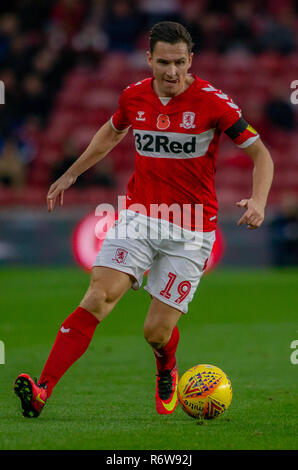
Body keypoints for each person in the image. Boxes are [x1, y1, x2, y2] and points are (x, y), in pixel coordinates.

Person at [14, 21, 274, 418]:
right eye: (165, 62)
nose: (173, 72)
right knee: (99, 296)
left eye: (181, 63)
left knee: (156, 332)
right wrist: (72, 172)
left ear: (192, 61)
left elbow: (262, 155)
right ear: (149, 59)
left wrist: (258, 200)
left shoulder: (214, 102)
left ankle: (166, 365)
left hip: (191, 227)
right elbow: (111, 132)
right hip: (138, 216)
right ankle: (42, 389)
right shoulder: (134, 96)